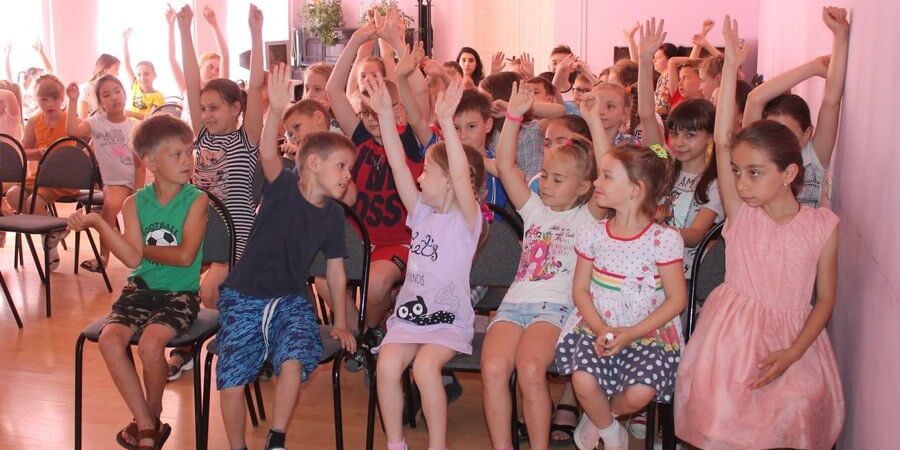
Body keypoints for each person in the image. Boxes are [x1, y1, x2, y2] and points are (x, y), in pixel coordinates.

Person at [674, 16, 844, 450]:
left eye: (754, 173)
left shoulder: (822, 226)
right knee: (728, 417)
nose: (742, 183)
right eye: (737, 173)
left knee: (796, 409)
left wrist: (794, 353)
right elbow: (723, 141)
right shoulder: (741, 213)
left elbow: (825, 299)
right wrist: (730, 66)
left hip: (795, 339)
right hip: (732, 337)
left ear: (789, 174)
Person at [214, 62, 356, 450]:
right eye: (341, 166)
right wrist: (275, 109)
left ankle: (276, 438)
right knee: (232, 381)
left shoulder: (333, 215)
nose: (348, 175)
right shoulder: (283, 186)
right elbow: (266, 152)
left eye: (350, 168)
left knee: (294, 358)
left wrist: (341, 322)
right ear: (313, 163)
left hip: (290, 300)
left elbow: (336, 271)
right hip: (243, 295)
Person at [66, 113, 208, 450]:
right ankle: (146, 421)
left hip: (180, 293)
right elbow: (131, 261)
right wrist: (99, 224)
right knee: (110, 340)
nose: (187, 160)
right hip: (140, 290)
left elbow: (184, 256)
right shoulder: (134, 203)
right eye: (177, 154)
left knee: (150, 344)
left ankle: (153, 413)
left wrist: (139, 247)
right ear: (150, 162)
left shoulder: (196, 199)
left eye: (189, 152)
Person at [482, 81, 607, 450]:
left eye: (558, 179)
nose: (546, 185)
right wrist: (513, 117)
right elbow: (506, 167)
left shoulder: (589, 217)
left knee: (531, 369)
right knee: (493, 369)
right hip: (513, 306)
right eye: (546, 176)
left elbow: (607, 173)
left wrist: (592, 121)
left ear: (584, 186)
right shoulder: (535, 210)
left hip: (554, 310)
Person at [369, 75, 485, 450]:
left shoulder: (467, 221)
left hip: (448, 321)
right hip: (409, 317)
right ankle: (396, 444)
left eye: (428, 172)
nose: (420, 178)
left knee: (424, 367)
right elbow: (398, 166)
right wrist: (386, 116)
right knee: (387, 365)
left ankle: (437, 445)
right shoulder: (420, 214)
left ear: (450, 181)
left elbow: (461, 174)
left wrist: (447, 123)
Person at [166, 3, 264, 382]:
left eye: (215, 108)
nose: (206, 114)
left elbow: (256, 86)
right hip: (203, 228)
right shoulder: (202, 135)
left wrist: (256, 32)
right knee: (181, 286)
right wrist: (184, 31)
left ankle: (240, 340)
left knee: (213, 292)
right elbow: (192, 82)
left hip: (237, 232)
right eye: (203, 109)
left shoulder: (246, 139)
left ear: (236, 109)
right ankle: (188, 344)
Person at [742, 6, 850, 208]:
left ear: (806, 135)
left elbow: (832, 101)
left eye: (786, 133)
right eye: (771, 131)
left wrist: (840, 34)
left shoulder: (813, 158)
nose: (777, 140)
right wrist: (814, 67)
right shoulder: (755, 153)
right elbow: (754, 99)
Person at [66, 76, 145, 272]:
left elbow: (140, 165)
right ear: (100, 102)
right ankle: (104, 257)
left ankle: (133, 255)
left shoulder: (134, 125)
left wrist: (139, 191)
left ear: (125, 94)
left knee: (132, 218)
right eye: (106, 95)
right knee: (109, 210)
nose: (114, 97)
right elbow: (73, 131)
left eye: (117, 91)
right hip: (114, 183)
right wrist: (73, 100)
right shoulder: (96, 123)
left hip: (135, 180)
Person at [4, 74, 74, 270]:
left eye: (54, 98)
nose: (50, 103)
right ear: (37, 99)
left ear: (62, 98)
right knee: (13, 194)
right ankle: (52, 232)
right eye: (44, 99)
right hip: (39, 178)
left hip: (64, 178)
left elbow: (84, 144)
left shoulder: (69, 120)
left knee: (33, 201)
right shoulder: (35, 121)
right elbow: (23, 151)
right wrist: (38, 152)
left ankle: (49, 239)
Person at [122, 28, 165, 118]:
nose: (142, 78)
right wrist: (125, 41)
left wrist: (131, 114)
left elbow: (151, 118)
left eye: (146, 74)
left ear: (154, 75)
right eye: (139, 75)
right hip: (130, 124)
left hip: (145, 126)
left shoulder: (158, 96)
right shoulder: (136, 86)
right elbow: (127, 64)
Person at [77, 54, 121, 118]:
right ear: (104, 69)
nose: (117, 74)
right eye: (116, 69)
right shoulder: (85, 88)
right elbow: (82, 118)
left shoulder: (111, 90)